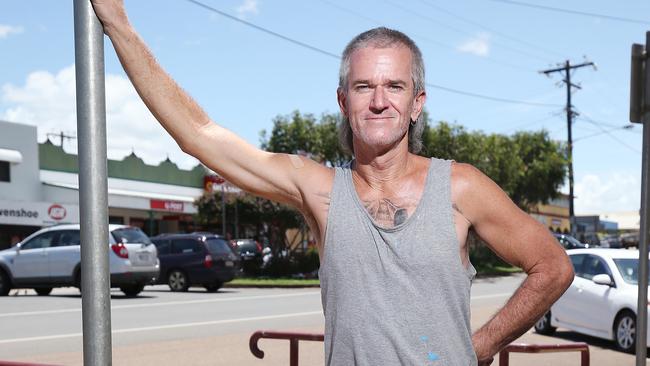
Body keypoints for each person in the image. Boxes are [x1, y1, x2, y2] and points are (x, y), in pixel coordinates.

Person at [90, 2, 574, 364]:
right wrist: (118, 24)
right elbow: (199, 136)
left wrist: (480, 346)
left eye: (395, 86)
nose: (380, 101)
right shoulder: (317, 189)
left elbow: (552, 268)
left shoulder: (460, 187)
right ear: (343, 101)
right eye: (364, 87)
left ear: (417, 102)